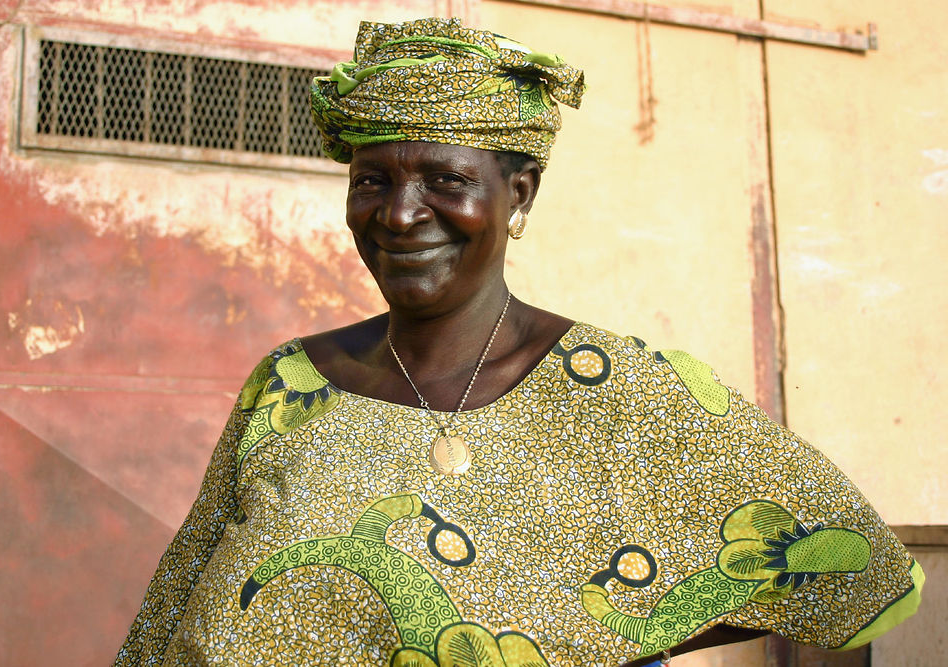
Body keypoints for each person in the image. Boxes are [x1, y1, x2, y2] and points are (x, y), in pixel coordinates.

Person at [115, 17, 923, 667]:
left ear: (519, 191)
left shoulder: (619, 388)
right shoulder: (290, 384)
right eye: (373, 180)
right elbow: (173, 613)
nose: (399, 214)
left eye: (445, 178)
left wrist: (613, 635)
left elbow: (851, 564)